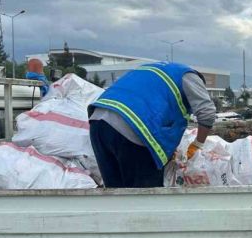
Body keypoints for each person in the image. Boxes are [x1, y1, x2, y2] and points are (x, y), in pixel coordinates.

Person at [88, 61, 217, 188]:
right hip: (132, 125)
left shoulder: (154, 71)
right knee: (146, 196)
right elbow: (207, 113)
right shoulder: (190, 76)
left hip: (98, 122)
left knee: (115, 194)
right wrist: (197, 144)